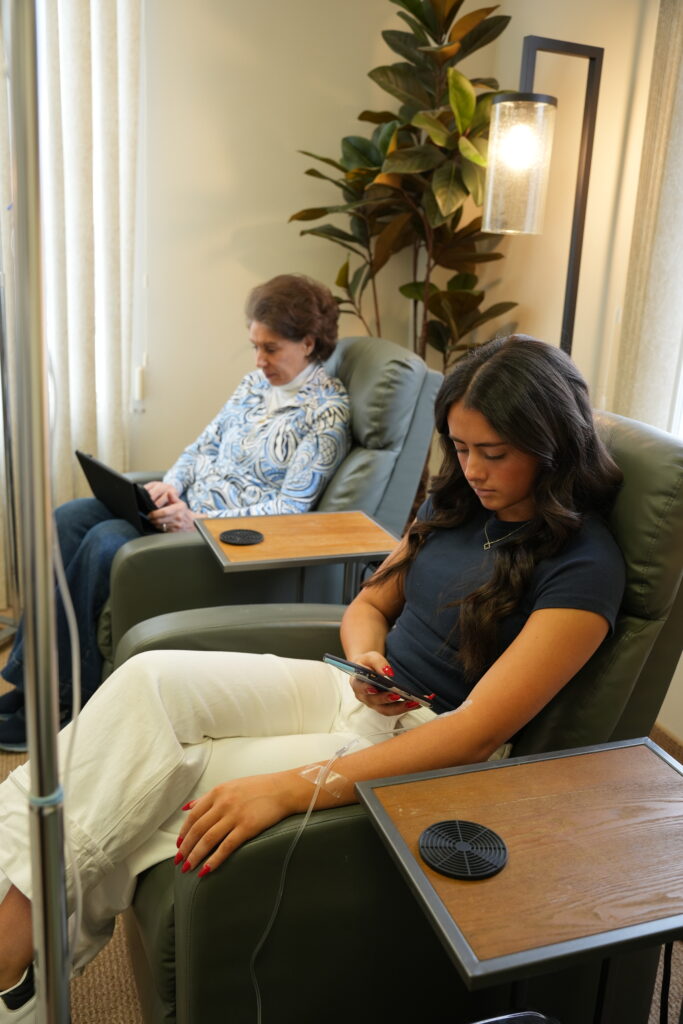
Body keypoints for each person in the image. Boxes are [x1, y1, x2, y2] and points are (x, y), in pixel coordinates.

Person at [0, 335, 626, 1020]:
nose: (472, 469)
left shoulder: (583, 566)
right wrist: (365, 659)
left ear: (550, 442)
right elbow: (369, 605)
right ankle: (17, 956)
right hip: (359, 691)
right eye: (461, 447)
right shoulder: (454, 505)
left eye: (494, 453)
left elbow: (477, 734)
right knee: (149, 683)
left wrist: (290, 789)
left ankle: (14, 961)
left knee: (162, 770)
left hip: (429, 746)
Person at [0, 274, 351, 751]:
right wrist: (170, 484)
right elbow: (200, 445)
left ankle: (64, 699)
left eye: (270, 349)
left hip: (211, 539)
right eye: (254, 346)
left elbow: (290, 508)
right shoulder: (252, 386)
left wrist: (198, 523)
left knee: (105, 539)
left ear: (308, 342)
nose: (258, 361)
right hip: (179, 513)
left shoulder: (326, 412)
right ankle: (29, 683)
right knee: (69, 518)